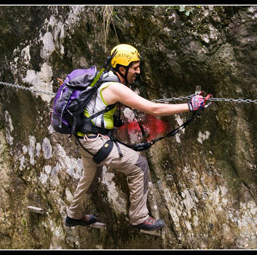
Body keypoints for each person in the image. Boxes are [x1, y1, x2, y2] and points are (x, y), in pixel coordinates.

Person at [65, 44, 205, 231]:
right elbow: (153, 109)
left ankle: (74, 215)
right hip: (94, 141)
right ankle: (139, 217)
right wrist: (189, 106)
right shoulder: (116, 87)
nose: (138, 71)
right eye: (134, 67)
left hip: (84, 139)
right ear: (122, 68)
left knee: (90, 176)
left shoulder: (104, 78)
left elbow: (96, 108)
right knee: (139, 165)